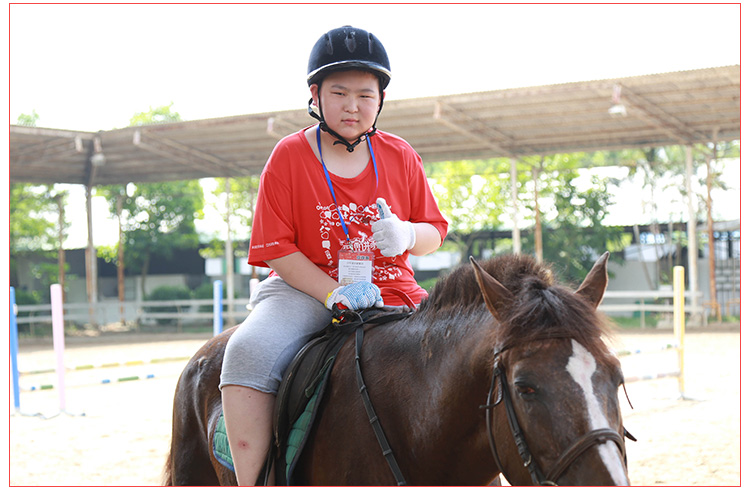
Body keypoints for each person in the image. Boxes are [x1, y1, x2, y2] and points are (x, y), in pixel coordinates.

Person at [219, 25, 448, 485]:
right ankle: (253, 480)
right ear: (315, 95)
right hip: (306, 288)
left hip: (394, 289)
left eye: (365, 94)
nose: (352, 106)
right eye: (339, 92)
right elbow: (277, 249)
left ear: (380, 100)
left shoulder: (401, 155)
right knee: (247, 352)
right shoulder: (287, 156)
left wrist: (406, 235)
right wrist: (333, 293)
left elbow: (435, 232)